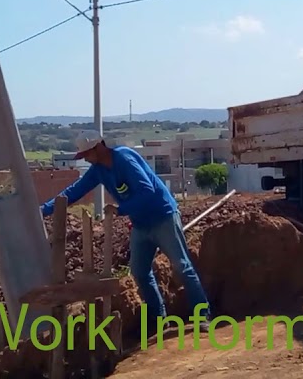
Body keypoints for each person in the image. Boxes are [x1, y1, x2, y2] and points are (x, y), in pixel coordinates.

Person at [41, 136, 211, 330]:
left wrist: (120, 210)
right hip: (141, 224)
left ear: (98, 147)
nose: (85, 159)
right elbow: (74, 191)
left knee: (182, 266)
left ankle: (202, 315)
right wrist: (43, 210)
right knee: (139, 271)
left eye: (87, 154)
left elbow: (147, 191)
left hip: (162, 217)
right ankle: (159, 320)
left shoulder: (124, 158)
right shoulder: (98, 170)